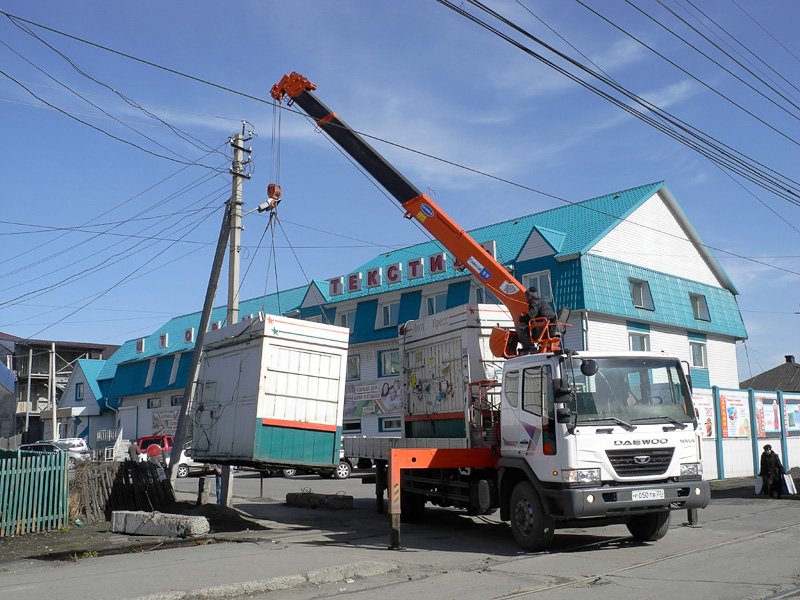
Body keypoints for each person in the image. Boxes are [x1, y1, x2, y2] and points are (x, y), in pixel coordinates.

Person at [515, 286, 555, 354]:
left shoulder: (534, 302)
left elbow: (531, 315)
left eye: (526, 297)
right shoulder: (543, 302)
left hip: (542, 329)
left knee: (520, 327)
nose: (526, 299)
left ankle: (529, 347)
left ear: (529, 296)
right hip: (550, 328)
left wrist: (521, 318)